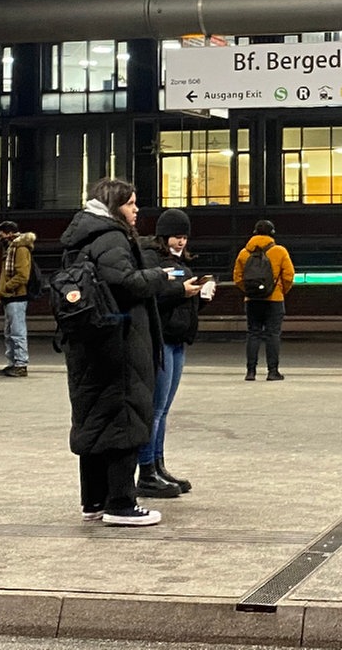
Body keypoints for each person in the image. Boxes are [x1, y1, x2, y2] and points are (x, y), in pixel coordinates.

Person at [61, 178, 193, 526]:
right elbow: (124, 283)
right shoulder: (111, 238)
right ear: (114, 204)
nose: (136, 211)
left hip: (90, 341)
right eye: (132, 204)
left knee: (94, 419)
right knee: (124, 417)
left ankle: (94, 501)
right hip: (117, 341)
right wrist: (158, 276)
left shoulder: (82, 237)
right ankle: (121, 503)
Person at [138, 207, 205, 498]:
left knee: (163, 410)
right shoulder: (152, 260)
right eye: (176, 236)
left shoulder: (181, 263)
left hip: (177, 340)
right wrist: (182, 292)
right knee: (154, 409)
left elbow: (180, 303)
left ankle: (159, 465)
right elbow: (151, 297)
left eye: (184, 237)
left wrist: (200, 296)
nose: (181, 242)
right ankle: (147, 470)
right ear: (163, 236)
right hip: (161, 340)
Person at [233, 219, 294, 381]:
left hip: (252, 300)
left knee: (253, 333)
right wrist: (280, 291)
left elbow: (238, 278)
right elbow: (288, 276)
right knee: (273, 334)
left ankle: (250, 371)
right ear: (272, 233)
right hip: (274, 300)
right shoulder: (279, 251)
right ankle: (272, 371)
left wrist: (249, 291)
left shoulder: (244, 253)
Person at [0, 221, 36, 378]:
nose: (0, 238)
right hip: (10, 296)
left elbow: (22, 275)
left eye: (2, 235)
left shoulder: (20, 249)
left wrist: (6, 287)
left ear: (9, 233)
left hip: (16, 296)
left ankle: (20, 364)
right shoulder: (11, 249)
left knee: (17, 331)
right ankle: (13, 363)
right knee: (9, 331)